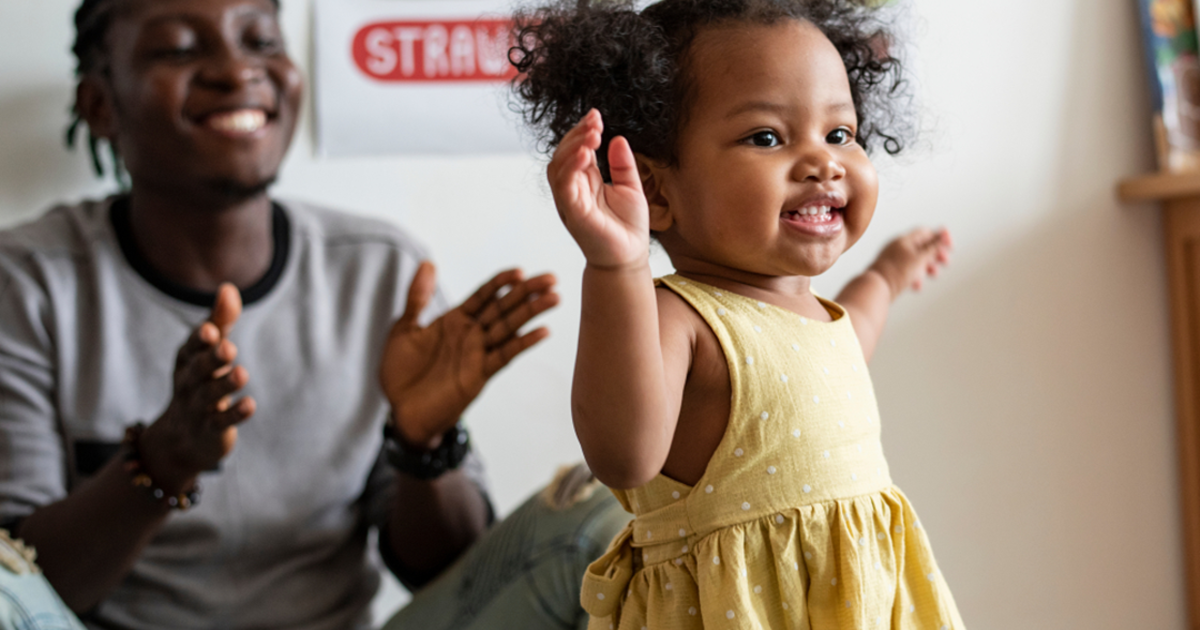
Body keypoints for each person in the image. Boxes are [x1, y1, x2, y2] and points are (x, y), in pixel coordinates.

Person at [0, 0, 629, 628]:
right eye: (179, 49)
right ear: (101, 105)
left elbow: (455, 576)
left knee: (606, 518)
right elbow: (26, 584)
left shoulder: (379, 271)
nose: (237, 70)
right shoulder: (28, 281)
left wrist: (422, 445)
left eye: (261, 41)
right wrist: (160, 462)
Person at [509, 0, 968, 628]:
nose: (823, 162)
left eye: (839, 134)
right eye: (767, 137)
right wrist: (618, 267)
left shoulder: (812, 316)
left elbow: (849, 341)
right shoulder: (683, 317)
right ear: (657, 190)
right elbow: (624, 455)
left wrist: (886, 276)